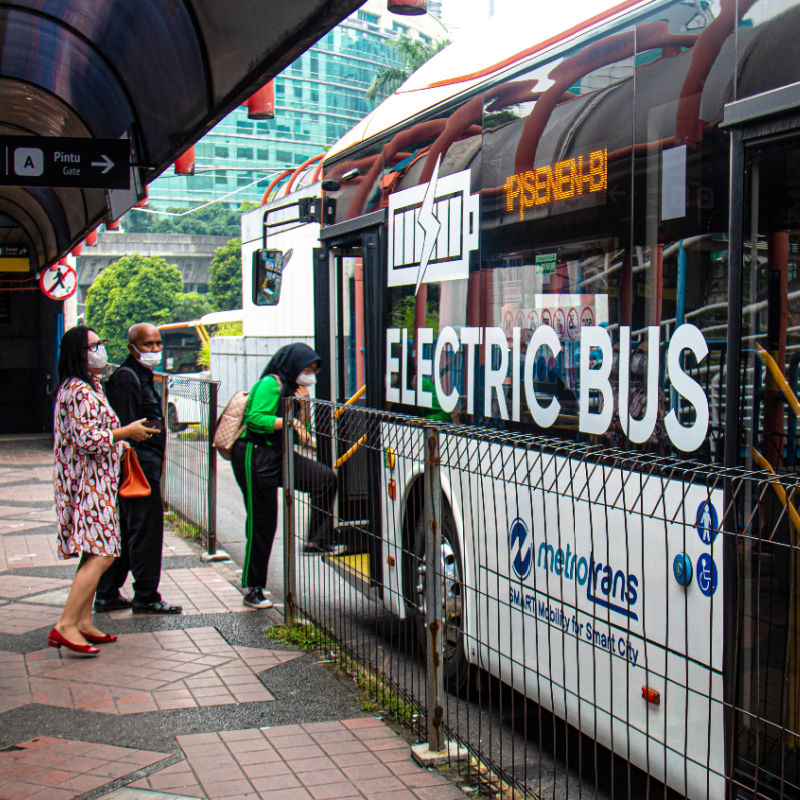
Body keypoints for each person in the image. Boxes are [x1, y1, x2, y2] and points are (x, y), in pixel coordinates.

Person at [51, 326, 156, 655]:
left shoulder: (89, 386)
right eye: (92, 346)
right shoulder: (78, 392)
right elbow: (88, 439)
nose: (100, 350)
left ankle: (81, 621)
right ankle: (67, 623)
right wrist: (127, 433)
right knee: (104, 552)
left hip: (97, 481)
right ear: (77, 354)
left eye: (100, 344)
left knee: (94, 551)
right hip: (87, 485)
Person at [231, 343, 339, 609]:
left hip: (279, 454)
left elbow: (302, 427)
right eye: (306, 369)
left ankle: (317, 540)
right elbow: (256, 419)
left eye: (313, 370)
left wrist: (300, 406)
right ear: (292, 366)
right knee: (262, 522)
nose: (310, 375)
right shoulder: (271, 384)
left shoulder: (293, 389)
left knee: (325, 478)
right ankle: (252, 587)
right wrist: (287, 420)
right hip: (255, 455)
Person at [95, 322, 182, 615]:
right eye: (148, 345)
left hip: (144, 466)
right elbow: (124, 427)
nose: (155, 350)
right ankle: (146, 595)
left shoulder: (142, 376)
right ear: (133, 347)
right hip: (137, 468)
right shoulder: (127, 379)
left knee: (129, 530)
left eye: (158, 343)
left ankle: (107, 592)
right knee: (145, 533)